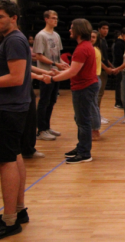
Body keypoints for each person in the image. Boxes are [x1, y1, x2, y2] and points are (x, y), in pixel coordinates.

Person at [43, 19, 99, 164]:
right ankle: (81, 147)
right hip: (85, 86)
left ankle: (84, 153)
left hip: (83, 88)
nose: (69, 30)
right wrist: (63, 71)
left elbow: (73, 72)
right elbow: (75, 70)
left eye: (72, 28)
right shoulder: (85, 46)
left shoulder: (82, 48)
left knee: (83, 121)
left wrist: (53, 79)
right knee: (80, 119)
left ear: (79, 30)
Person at [0, 0, 32, 239]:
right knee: (15, 155)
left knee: (6, 160)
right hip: (14, 107)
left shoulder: (13, 40)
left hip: (9, 108)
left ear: (13, 17)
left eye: (1, 17)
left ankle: (9, 220)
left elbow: (16, 77)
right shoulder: (15, 39)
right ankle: (19, 211)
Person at [33, 10, 68, 141]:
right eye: (53, 18)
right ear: (46, 19)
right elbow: (39, 56)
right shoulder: (41, 36)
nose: (55, 20)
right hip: (45, 73)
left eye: (56, 18)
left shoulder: (56, 35)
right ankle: (41, 130)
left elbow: (58, 57)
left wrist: (63, 65)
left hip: (56, 73)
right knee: (44, 101)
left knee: (52, 100)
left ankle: (47, 126)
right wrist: (55, 63)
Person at [90, 31, 106, 141]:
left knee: (93, 107)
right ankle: (93, 130)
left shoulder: (93, 50)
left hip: (94, 79)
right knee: (93, 106)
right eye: (90, 36)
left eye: (93, 37)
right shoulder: (93, 49)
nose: (91, 39)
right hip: (95, 79)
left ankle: (95, 131)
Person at [97, 21, 113, 124]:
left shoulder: (104, 41)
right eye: (103, 28)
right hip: (99, 71)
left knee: (101, 93)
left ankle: (98, 114)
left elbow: (105, 58)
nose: (105, 31)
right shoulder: (98, 41)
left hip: (104, 70)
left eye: (107, 29)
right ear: (99, 29)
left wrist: (111, 66)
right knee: (98, 94)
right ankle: (96, 116)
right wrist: (106, 68)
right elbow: (99, 59)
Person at [112, 28, 125, 109]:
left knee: (120, 84)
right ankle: (118, 102)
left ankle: (120, 101)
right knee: (119, 85)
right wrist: (121, 67)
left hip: (120, 66)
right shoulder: (119, 43)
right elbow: (119, 57)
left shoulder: (121, 42)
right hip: (119, 66)